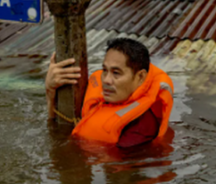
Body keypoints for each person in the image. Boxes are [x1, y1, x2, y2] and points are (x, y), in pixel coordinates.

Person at [45, 38, 173, 148]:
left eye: (116, 73)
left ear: (140, 77)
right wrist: (50, 92)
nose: (106, 80)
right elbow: (60, 123)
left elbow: (68, 154)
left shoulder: (139, 127)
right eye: (105, 70)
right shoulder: (102, 97)